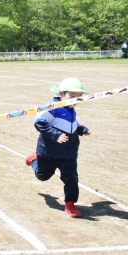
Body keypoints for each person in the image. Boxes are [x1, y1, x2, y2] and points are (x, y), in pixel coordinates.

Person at [25, 78, 91, 218]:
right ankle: (34, 159)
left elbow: (72, 124)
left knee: (71, 177)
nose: (75, 99)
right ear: (61, 94)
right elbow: (39, 122)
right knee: (42, 176)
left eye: (78, 96)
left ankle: (70, 204)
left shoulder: (71, 109)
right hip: (49, 152)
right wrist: (55, 135)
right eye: (72, 96)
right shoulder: (52, 108)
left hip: (69, 153)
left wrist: (82, 129)